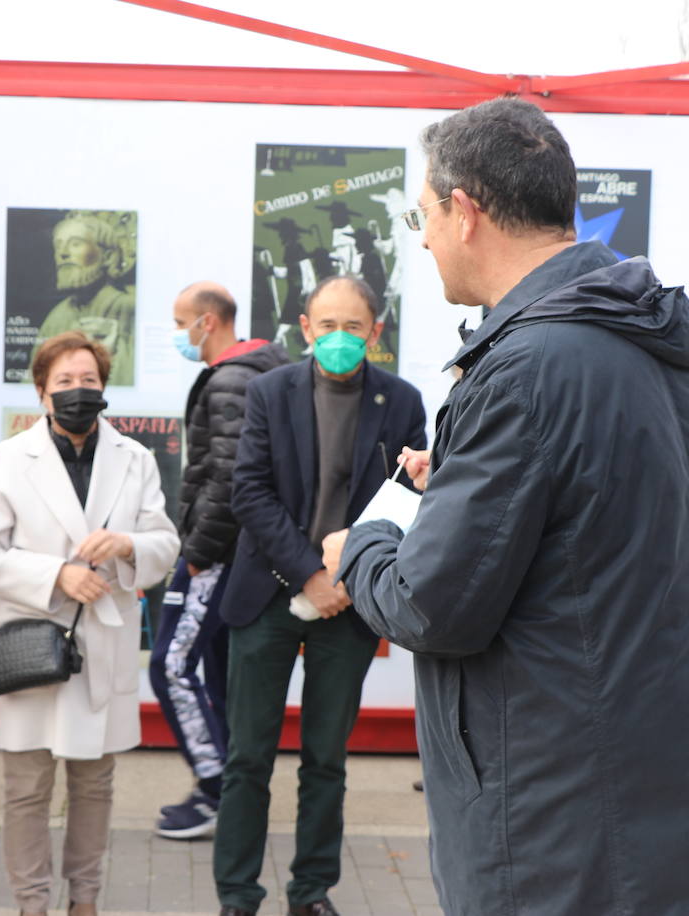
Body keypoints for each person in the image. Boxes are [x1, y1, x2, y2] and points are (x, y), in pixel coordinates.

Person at [322, 98, 689, 916]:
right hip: (687, 816)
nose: (420, 238)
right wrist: (464, 481)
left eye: (421, 214)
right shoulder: (672, 338)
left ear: (464, 211)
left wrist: (368, 538)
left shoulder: (528, 366)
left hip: (567, 845)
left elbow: (431, 606)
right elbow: (600, 522)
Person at [213, 275, 426, 916]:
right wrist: (310, 572)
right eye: (326, 325)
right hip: (267, 597)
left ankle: (311, 892)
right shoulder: (269, 392)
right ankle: (237, 896)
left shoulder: (403, 402)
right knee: (247, 758)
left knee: (326, 761)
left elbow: (408, 501)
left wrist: (344, 579)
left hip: (349, 608)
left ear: (376, 333)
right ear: (304, 329)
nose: (339, 338)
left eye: (353, 327)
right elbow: (248, 491)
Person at [0, 331, 179, 916]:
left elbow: (164, 543)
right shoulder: (9, 460)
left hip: (101, 645)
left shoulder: (135, 459)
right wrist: (56, 574)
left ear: (104, 387)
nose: (78, 392)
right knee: (26, 791)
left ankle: (85, 902)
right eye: (64, 382)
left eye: (88, 381)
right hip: (32, 643)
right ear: (41, 392)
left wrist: (128, 544)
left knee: (94, 786)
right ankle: (32, 905)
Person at [150, 281, 288, 840]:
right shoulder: (261, 369)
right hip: (241, 558)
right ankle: (234, 797)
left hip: (218, 555)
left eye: (180, 322)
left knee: (171, 665)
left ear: (207, 323)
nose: (177, 334)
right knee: (219, 678)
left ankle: (214, 789)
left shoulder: (232, 377)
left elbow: (228, 478)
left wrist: (198, 555)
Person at [34, 212, 136, 384]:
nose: (63, 254)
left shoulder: (128, 307)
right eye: (58, 246)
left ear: (108, 257)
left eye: (75, 244)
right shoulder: (57, 316)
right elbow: (37, 378)